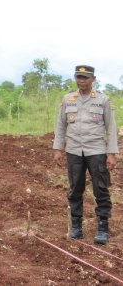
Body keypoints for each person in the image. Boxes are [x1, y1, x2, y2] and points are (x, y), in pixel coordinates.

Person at [53, 65, 118, 244]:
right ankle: (76, 227)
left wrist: (111, 153)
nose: (81, 80)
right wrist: (58, 149)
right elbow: (61, 126)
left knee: (101, 189)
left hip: (96, 151)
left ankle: (103, 228)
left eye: (85, 77)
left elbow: (111, 128)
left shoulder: (102, 100)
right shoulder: (68, 99)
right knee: (75, 189)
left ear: (93, 79)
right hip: (74, 151)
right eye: (78, 77)